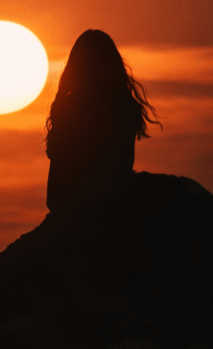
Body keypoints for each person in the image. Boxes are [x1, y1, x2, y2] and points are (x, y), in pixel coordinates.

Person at [44, 30, 160, 214]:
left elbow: (57, 161)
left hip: (83, 200)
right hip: (103, 197)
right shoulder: (123, 106)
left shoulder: (73, 106)